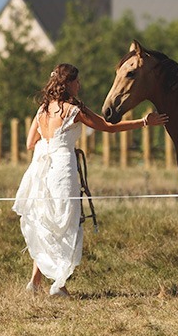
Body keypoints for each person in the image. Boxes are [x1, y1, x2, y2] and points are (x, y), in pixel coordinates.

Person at [12, 63, 168, 298]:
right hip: (61, 169)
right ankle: (59, 285)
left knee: (46, 220)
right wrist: (144, 122)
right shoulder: (73, 109)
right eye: (76, 81)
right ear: (68, 84)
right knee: (66, 222)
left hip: (40, 168)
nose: (79, 85)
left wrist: (51, 144)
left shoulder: (43, 109)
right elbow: (107, 127)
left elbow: (29, 143)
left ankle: (35, 281)